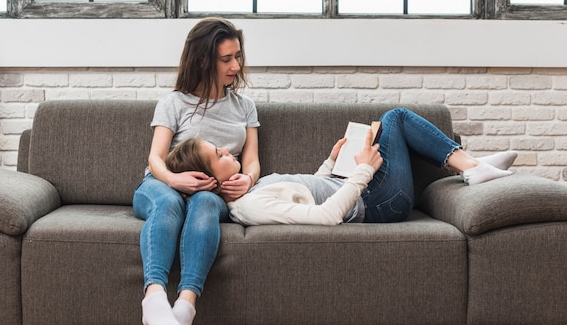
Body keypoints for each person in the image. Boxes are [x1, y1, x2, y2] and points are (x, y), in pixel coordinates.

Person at [165, 108, 517, 226]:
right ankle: (470, 166)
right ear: (207, 178)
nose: (227, 149)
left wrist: (333, 161)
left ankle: (469, 164)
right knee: (395, 118)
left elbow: (312, 194)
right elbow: (325, 217)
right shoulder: (249, 206)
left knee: (386, 126)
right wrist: (362, 170)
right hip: (380, 203)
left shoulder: (247, 190)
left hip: (362, 188)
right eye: (218, 154)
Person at [132, 18, 261, 325]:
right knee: (169, 203)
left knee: (204, 202)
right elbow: (155, 159)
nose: (236, 65)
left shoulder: (244, 107)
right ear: (203, 60)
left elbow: (253, 162)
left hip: (211, 192)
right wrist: (174, 180)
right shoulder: (174, 103)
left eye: (238, 56)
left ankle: (186, 304)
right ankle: (154, 295)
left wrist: (247, 180)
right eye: (226, 59)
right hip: (161, 185)